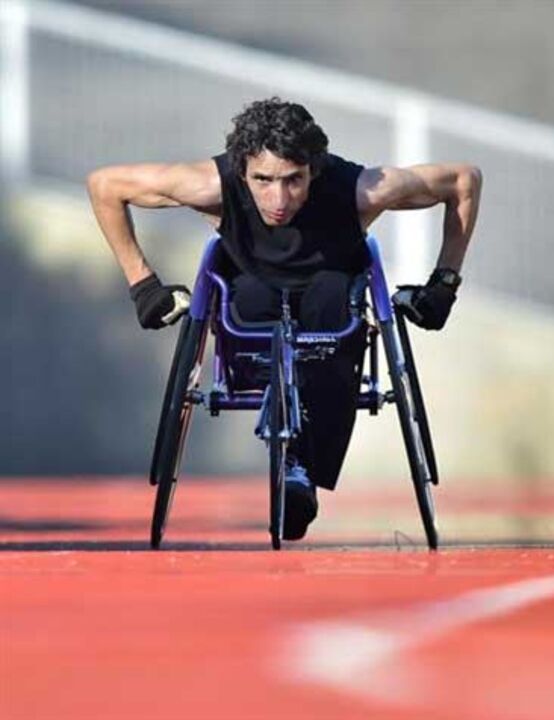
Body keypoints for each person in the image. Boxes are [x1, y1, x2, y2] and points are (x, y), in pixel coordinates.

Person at [87, 97, 482, 541]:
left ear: (314, 168)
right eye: (263, 180)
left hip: (332, 311)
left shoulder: (357, 189)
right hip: (251, 304)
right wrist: (143, 286)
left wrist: (444, 282)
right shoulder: (211, 186)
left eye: (294, 180)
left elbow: (464, 181)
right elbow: (105, 186)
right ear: (241, 172)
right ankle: (292, 452)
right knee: (252, 299)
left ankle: (301, 471)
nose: (279, 198)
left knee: (332, 298)